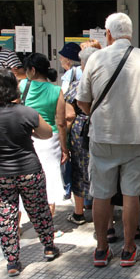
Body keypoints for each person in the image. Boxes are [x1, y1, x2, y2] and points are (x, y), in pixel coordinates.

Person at [76, 12, 140, 268]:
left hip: (103, 136)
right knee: (131, 194)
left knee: (101, 194)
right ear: (131, 33)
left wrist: (97, 115)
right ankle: (128, 248)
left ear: (108, 34)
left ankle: (102, 249)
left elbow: (83, 100)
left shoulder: (96, 59)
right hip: (138, 136)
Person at [0, 68, 59, 276]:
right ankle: (48, 247)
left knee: (5, 217)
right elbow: (46, 134)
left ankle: (12, 262)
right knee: (39, 211)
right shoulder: (26, 112)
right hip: (29, 170)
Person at [20, 53, 67, 218]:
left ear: (32, 70)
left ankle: (16, 225)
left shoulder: (22, 85)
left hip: (25, 136)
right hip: (49, 138)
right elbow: (61, 122)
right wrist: (64, 148)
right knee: (50, 178)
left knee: (22, 178)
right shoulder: (56, 90)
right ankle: (48, 225)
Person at [60, 42, 90, 225]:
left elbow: (69, 115)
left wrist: (65, 142)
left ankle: (79, 213)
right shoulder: (105, 84)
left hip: (81, 131)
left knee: (80, 169)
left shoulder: (78, 85)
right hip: (104, 130)